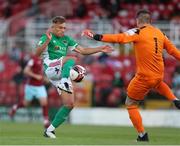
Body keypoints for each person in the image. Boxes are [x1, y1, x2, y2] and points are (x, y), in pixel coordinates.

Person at [81, 9, 180, 142]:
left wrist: (96, 36)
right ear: (150, 21)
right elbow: (173, 51)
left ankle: (142, 135)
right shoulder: (160, 33)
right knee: (157, 83)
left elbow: (120, 38)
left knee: (131, 104)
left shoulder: (137, 31)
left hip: (144, 77)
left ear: (137, 21)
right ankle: (174, 99)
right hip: (158, 75)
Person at [35, 16, 113, 138]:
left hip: (60, 71)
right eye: (60, 28)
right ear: (53, 27)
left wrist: (100, 49)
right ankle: (65, 81)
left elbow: (82, 50)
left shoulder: (67, 39)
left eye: (64, 28)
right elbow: (36, 54)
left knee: (69, 105)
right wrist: (47, 42)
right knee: (72, 58)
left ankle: (49, 130)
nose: (63, 30)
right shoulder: (46, 37)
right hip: (50, 67)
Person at [9, 55, 50, 129]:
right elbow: (25, 71)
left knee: (44, 102)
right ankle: (15, 107)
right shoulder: (33, 60)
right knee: (25, 103)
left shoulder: (45, 60)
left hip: (40, 86)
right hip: (30, 86)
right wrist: (36, 76)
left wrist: (45, 79)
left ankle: (46, 121)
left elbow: (42, 73)